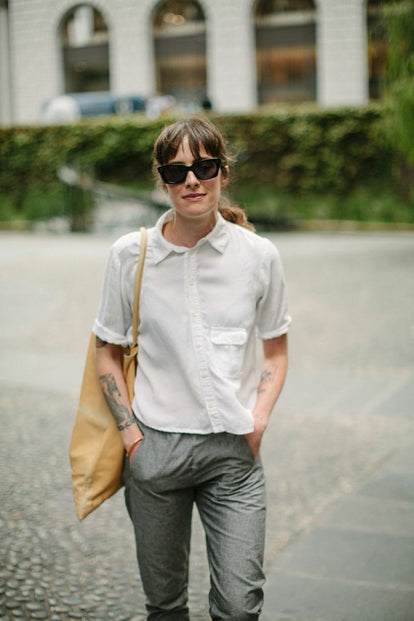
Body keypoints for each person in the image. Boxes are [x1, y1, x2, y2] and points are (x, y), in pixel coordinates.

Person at [94, 116, 291, 621]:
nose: (192, 181)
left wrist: (260, 418)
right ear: (162, 180)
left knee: (240, 607)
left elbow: (275, 349)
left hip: (233, 453)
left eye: (204, 167)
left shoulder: (258, 256)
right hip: (155, 452)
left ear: (223, 173)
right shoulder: (130, 255)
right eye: (177, 171)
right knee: (165, 607)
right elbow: (106, 350)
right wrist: (133, 439)